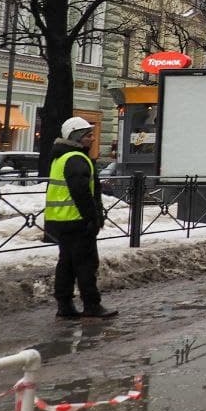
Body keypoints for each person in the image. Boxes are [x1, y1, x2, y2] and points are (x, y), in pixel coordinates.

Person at [46, 117, 116, 319]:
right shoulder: (76, 158)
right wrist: (92, 218)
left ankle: (65, 305)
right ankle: (92, 305)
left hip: (59, 220)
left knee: (66, 263)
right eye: (88, 135)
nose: (92, 139)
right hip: (77, 220)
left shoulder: (61, 157)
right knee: (86, 264)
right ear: (77, 137)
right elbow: (82, 193)